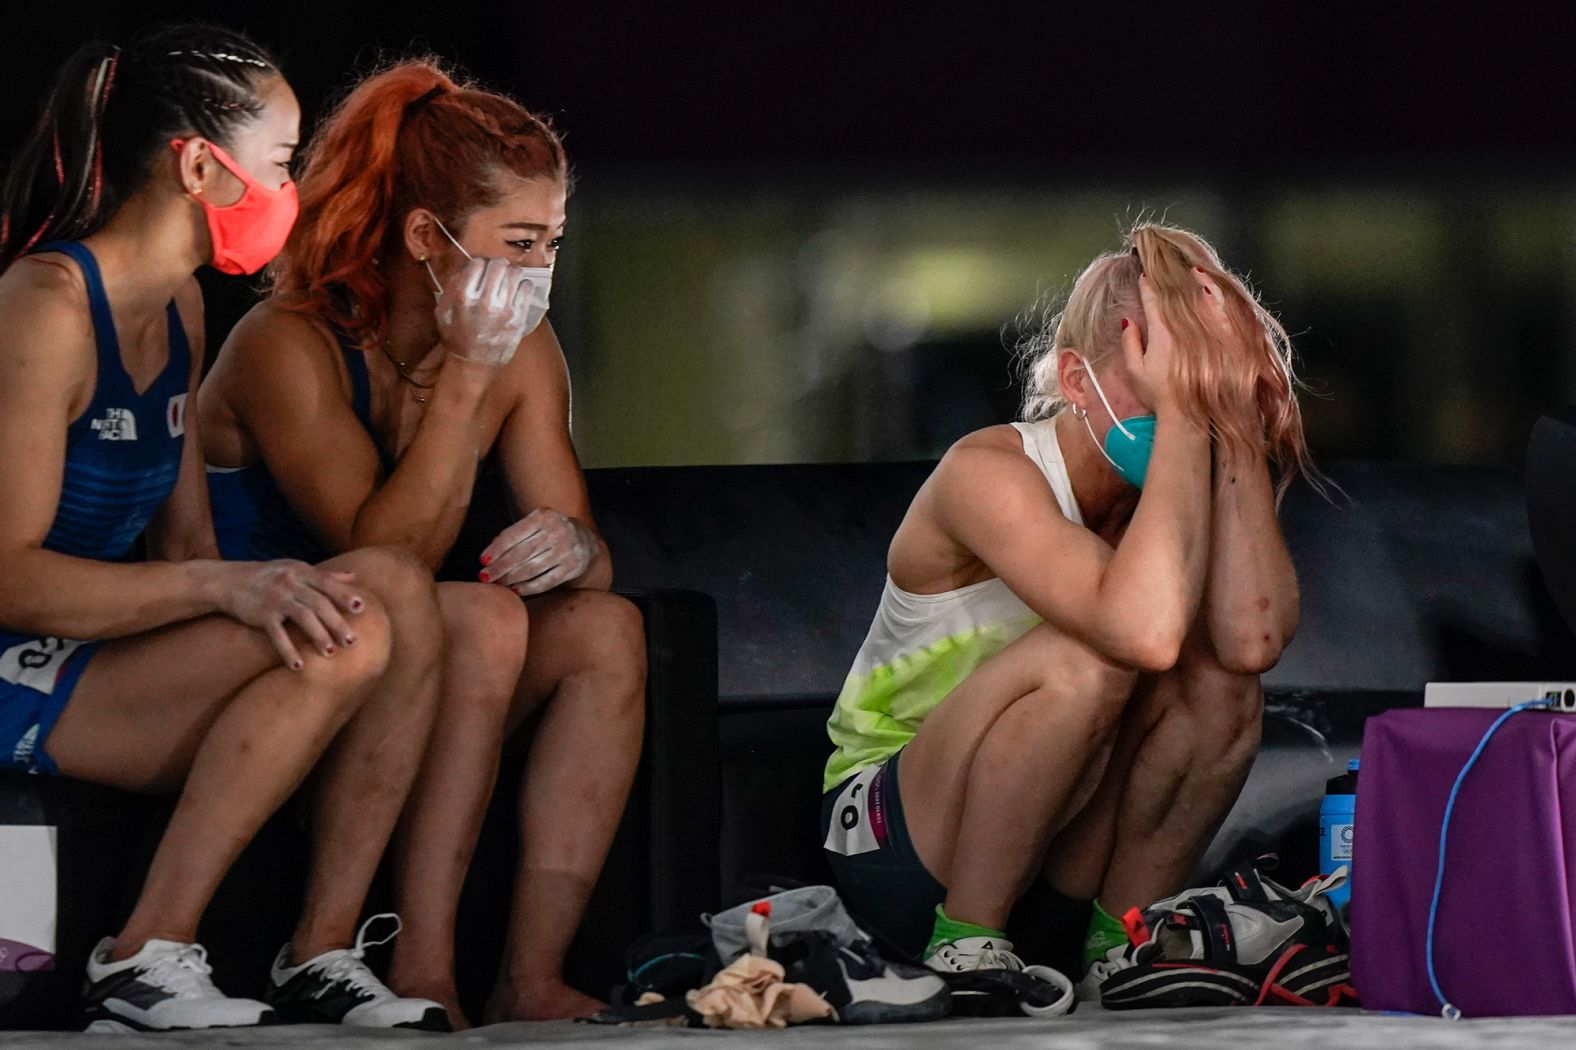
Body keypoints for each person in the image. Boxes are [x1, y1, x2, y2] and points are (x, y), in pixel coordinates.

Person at [0, 26, 452, 1032]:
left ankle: (321, 954)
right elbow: (9, 580)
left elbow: (186, 553)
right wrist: (228, 592)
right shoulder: (44, 304)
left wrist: (243, 588)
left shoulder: (184, 310)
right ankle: (139, 956)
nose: (292, 194)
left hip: (94, 646)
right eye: (284, 166)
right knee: (354, 628)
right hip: (13, 658)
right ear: (202, 166)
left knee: (391, 587)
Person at [198, 60, 646, 1025]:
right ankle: (424, 970)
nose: (539, 273)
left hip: (417, 671)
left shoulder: (524, 348)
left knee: (605, 631)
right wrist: (466, 379)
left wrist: (570, 543)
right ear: (424, 239)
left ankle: (531, 974)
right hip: (279, 671)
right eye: (519, 242)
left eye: (554, 244)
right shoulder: (288, 344)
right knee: (480, 618)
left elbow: (594, 559)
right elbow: (382, 556)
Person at [819, 223, 1312, 997]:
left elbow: (1251, 642)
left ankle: (1125, 945)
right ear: (1077, 383)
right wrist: (1185, 420)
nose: (1176, 398)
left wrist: (1236, 423)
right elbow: (1140, 633)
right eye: (1155, 376)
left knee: (1223, 685)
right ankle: (967, 945)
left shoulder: (1183, 475)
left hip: (1050, 858)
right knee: (1090, 653)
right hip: (895, 849)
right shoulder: (988, 473)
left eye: (1193, 377)